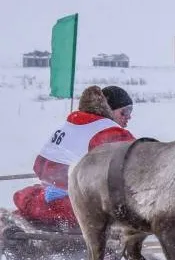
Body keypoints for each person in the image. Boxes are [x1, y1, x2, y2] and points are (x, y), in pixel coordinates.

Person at [12, 85, 136, 229]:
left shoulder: (69, 125)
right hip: (73, 208)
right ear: (110, 109)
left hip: (42, 201)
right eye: (125, 111)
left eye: (130, 111)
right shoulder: (110, 131)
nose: (129, 116)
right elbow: (141, 163)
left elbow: (38, 167)